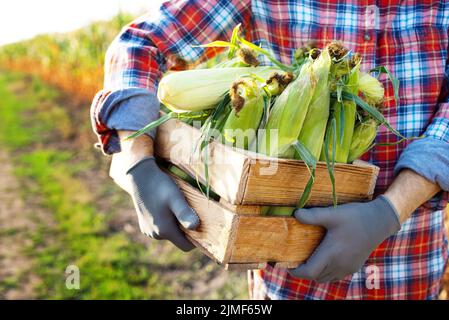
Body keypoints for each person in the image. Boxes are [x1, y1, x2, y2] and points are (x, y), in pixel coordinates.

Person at [91, 0, 449, 299]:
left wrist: (389, 211)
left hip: (412, 268)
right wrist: (137, 158)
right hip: (285, 280)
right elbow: (140, 46)